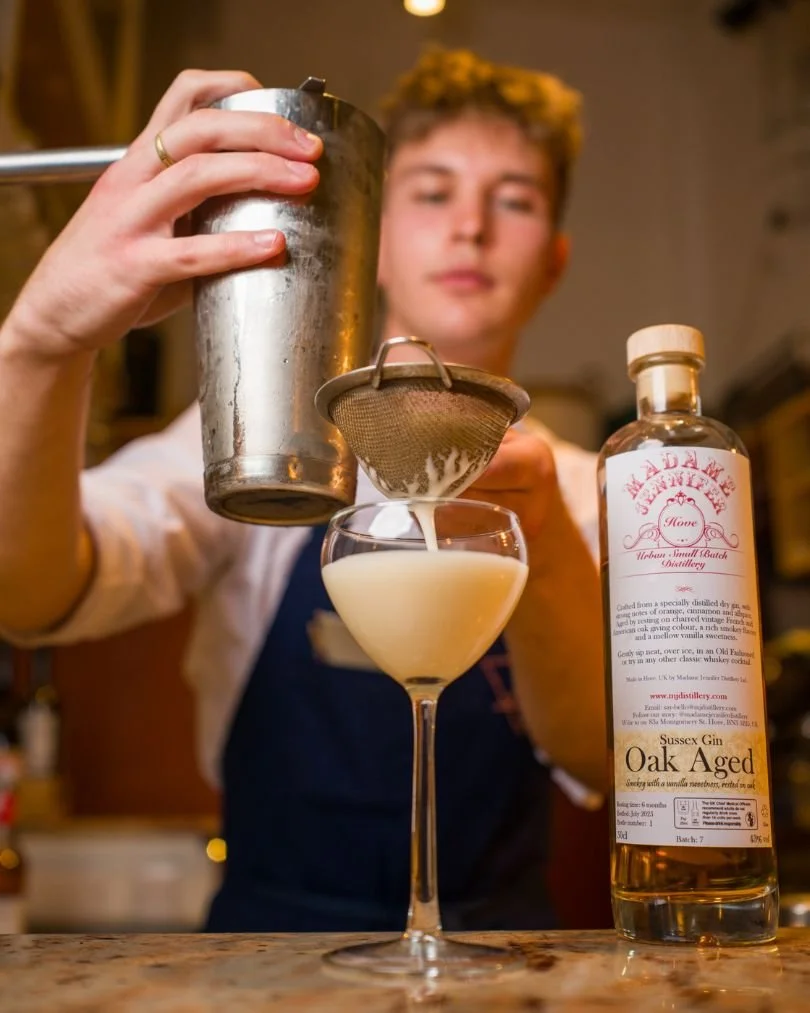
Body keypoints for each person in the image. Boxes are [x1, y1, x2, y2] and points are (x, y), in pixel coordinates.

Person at [0, 49, 606, 931]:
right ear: (377, 237)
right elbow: (31, 589)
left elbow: (613, 757)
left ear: (553, 260)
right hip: (264, 954)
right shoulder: (268, 440)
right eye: (433, 192)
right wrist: (41, 344)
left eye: (513, 198)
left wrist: (545, 545)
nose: (471, 225)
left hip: (508, 956)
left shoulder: (588, 491)